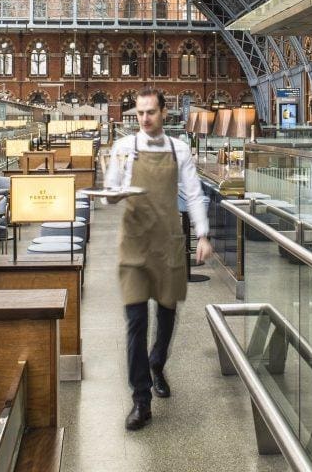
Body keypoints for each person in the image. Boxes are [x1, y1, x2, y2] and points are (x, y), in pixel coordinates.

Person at [103, 87, 211, 431]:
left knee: (166, 314)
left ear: (164, 112)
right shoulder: (124, 147)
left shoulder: (179, 149)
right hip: (134, 244)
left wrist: (202, 234)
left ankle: (157, 362)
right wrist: (113, 195)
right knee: (135, 321)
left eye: (150, 112)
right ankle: (141, 398)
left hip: (168, 243)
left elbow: (193, 193)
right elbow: (109, 192)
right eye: (139, 113)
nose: (145, 118)